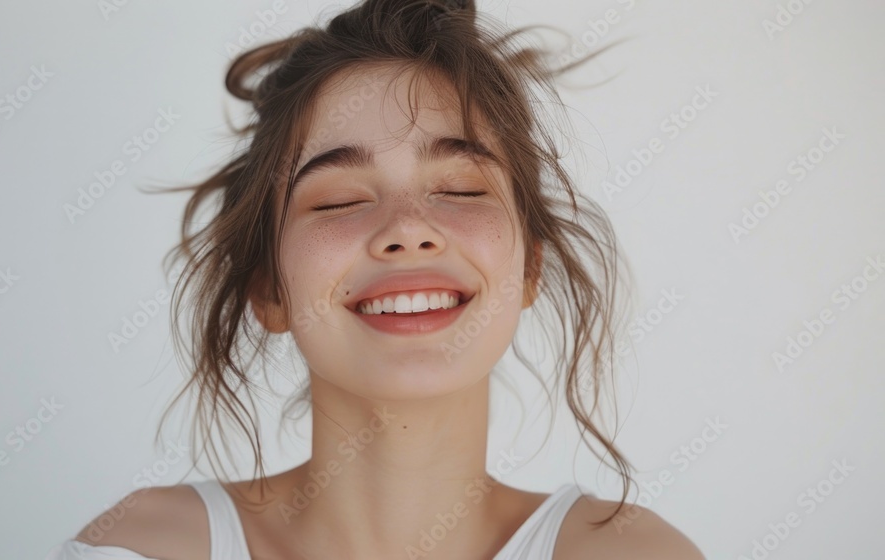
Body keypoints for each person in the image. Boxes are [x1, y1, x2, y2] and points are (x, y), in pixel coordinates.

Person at [48, 0, 705, 558]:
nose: (408, 228)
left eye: (459, 187)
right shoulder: (146, 545)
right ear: (269, 289)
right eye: (337, 201)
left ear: (528, 267)